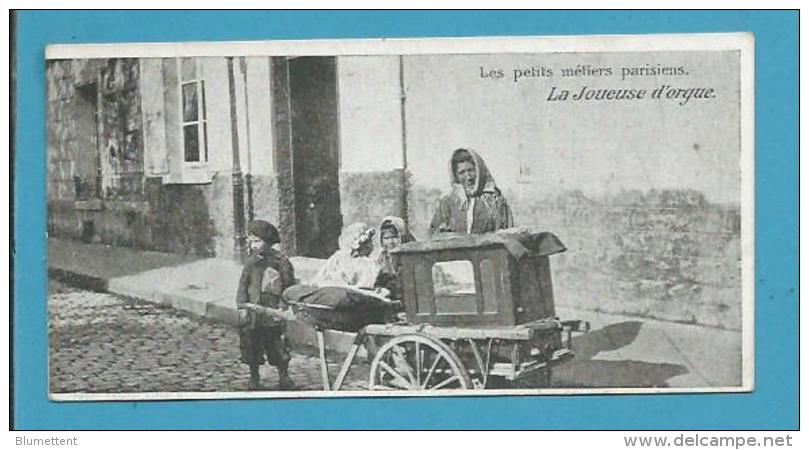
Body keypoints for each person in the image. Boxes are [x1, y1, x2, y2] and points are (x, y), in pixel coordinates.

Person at [284, 223, 390, 332]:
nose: (370, 246)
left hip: (344, 293)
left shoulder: (359, 262)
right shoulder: (355, 262)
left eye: (370, 242)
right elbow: (360, 285)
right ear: (359, 244)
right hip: (344, 295)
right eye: (368, 242)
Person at [236, 220, 296, 391]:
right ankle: (254, 377)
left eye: (257, 241)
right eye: (252, 242)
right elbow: (242, 285)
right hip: (253, 312)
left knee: (277, 344)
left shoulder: (282, 262)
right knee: (251, 344)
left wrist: (285, 305)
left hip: (272, 311)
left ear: (268, 241)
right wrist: (241, 305)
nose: (254, 246)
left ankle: (284, 376)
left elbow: (289, 286)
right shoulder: (251, 262)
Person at [430, 148, 514, 235]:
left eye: (471, 170)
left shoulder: (495, 202)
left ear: (479, 170)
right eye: (462, 173)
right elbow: (434, 233)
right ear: (456, 176)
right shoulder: (447, 203)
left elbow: (506, 234)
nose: (469, 177)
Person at [374, 216, 415, 302]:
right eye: (386, 238)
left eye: (394, 237)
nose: (390, 242)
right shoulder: (380, 259)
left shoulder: (411, 257)